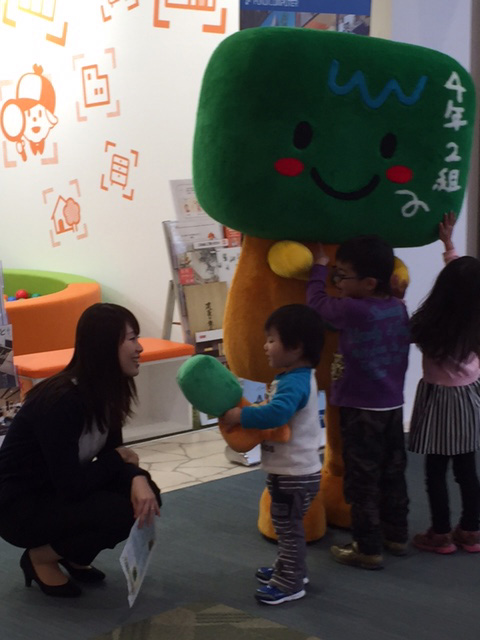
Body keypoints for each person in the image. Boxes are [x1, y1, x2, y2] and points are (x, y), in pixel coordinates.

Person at [0, 303, 161, 598]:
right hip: (20, 507)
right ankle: (40, 558)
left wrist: (137, 477)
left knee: (147, 495)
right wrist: (119, 459)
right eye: (131, 339)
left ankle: (72, 555)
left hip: (57, 492)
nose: (139, 347)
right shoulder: (61, 401)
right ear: (105, 346)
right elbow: (74, 483)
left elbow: (113, 452)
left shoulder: (107, 392)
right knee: (118, 510)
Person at [306, 235, 410, 569]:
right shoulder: (398, 307)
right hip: (392, 407)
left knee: (361, 480)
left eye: (342, 275)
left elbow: (316, 304)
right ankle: (396, 535)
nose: (338, 282)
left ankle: (367, 548)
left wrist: (319, 268)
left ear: (369, 283)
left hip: (360, 409)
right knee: (393, 474)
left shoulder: (353, 309)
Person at [221, 304, 323, 605]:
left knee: (288, 528)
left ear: (295, 346)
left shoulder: (293, 382)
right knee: (287, 526)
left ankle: (290, 581)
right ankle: (291, 569)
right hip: (296, 471)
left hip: (292, 474)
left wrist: (241, 415)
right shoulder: (298, 377)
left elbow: (277, 413)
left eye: (272, 340)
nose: (265, 346)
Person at [409, 213, 480, 554]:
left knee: (435, 471)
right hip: (469, 398)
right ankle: (471, 530)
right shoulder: (474, 318)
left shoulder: (430, 323)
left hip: (438, 401)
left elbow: (456, 286)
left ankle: (440, 534)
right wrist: (449, 246)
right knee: (467, 470)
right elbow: (465, 286)